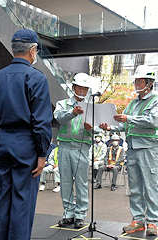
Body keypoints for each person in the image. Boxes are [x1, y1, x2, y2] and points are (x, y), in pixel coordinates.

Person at [0, 29, 53, 239]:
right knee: (23, 202)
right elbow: (41, 122)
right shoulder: (36, 77)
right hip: (26, 145)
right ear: (33, 50)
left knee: (4, 199)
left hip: (3, 143)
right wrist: (43, 154)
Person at [100, 65, 158, 236]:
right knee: (135, 186)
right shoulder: (133, 103)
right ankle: (138, 220)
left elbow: (152, 120)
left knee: (150, 186)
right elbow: (123, 125)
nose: (136, 84)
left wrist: (128, 118)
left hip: (147, 148)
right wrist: (110, 127)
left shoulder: (157, 101)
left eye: (140, 81)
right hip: (133, 149)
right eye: (136, 81)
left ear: (150, 83)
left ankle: (152, 221)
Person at [54, 72, 95, 229]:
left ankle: (80, 215)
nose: (82, 91)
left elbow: (98, 128)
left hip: (82, 148)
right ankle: (68, 213)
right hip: (64, 146)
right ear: (73, 87)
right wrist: (73, 112)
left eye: (85, 89)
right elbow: (59, 118)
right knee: (65, 181)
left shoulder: (91, 107)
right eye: (80, 88)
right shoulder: (62, 104)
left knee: (81, 182)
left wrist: (93, 128)